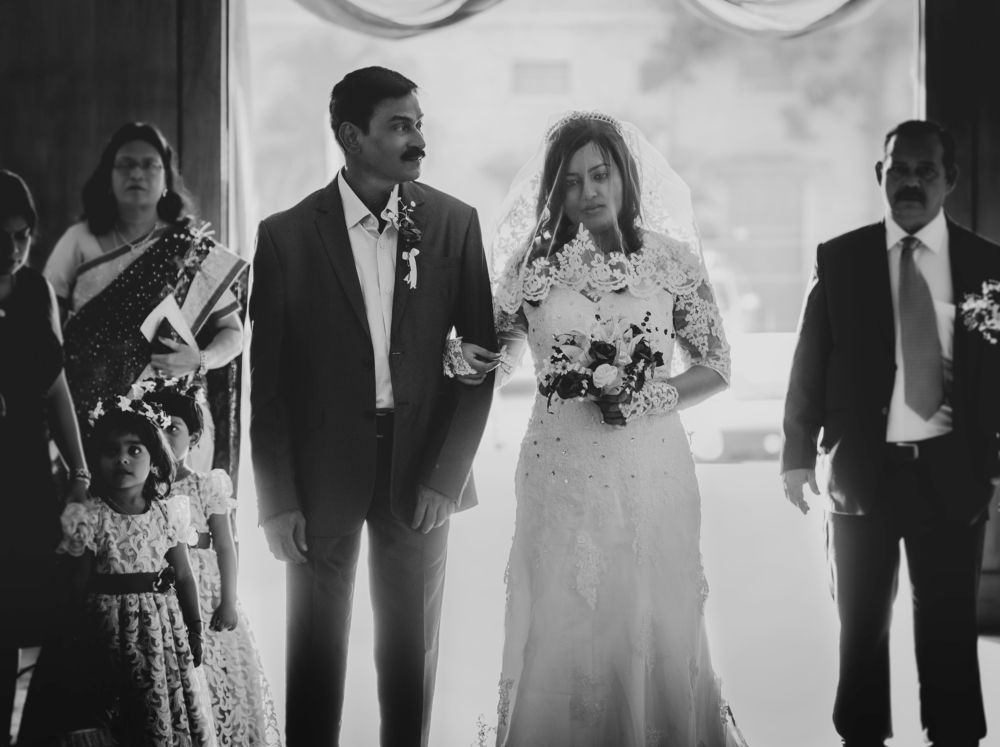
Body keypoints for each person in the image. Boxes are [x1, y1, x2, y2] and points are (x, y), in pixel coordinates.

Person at [457, 111, 747, 745]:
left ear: (624, 177)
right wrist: (466, 360)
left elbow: (717, 365)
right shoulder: (531, 269)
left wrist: (648, 397)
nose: (587, 192)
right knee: (561, 621)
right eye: (570, 181)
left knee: (651, 616)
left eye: (600, 174)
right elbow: (500, 359)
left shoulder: (669, 261)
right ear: (553, 191)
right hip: (558, 474)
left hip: (652, 471)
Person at [248, 66, 496, 746]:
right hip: (319, 475)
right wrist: (276, 500)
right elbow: (268, 388)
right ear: (352, 137)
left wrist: (446, 477)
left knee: (410, 653)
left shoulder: (454, 223)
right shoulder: (286, 237)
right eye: (400, 125)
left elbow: (480, 365)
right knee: (315, 652)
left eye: (419, 123)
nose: (418, 139)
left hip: (421, 472)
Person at [780, 119, 1000, 747]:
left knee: (950, 631)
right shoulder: (841, 259)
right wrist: (797, 455)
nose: (910, 182)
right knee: (861, 630)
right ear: (881, 174)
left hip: (951, 475)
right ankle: (862, 737)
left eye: (925, 171)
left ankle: (955, 735)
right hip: (862, 476)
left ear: (949, 179)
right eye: (898, 169)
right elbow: (809, 362)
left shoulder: (987, 266)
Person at [43, 121, 246, 471]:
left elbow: (234, 333)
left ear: (167, 177)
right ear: (108, 176)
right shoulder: (79, 240)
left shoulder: (191, 249)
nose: (136, 173)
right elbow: (43, 324)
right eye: (125, 164)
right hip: (86, 417)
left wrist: (199, 359)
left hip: (168, 425)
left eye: (149, 164)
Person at [19, 397, 216, 746]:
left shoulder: (167, 514)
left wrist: (195, 629)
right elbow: (78, 583)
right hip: (106, 632)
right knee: (113, 713)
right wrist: (70, 639)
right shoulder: (91, 515)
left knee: (156, 706)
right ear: (96, 460)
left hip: (159, 631)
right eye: (111, 451)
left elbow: (184, 576)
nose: (122, 458)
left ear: (155, 460)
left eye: (134, 450)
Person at [0, 169, 89, 747]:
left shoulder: (34, 290)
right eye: (1, 236)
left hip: (28, 474)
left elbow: (56, 387)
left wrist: (78, 471)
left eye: (22, 236)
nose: (13, 249)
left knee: (16, 622)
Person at [145, 378, 282, 746]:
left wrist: (228, 601)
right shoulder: (145, 490)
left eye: (173, 429)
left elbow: (225, 545)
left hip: (207, 589)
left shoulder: (206, 485)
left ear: (193, 439)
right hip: (167, 590)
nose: (163, 437)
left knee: (216, 666)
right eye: (156, 428)